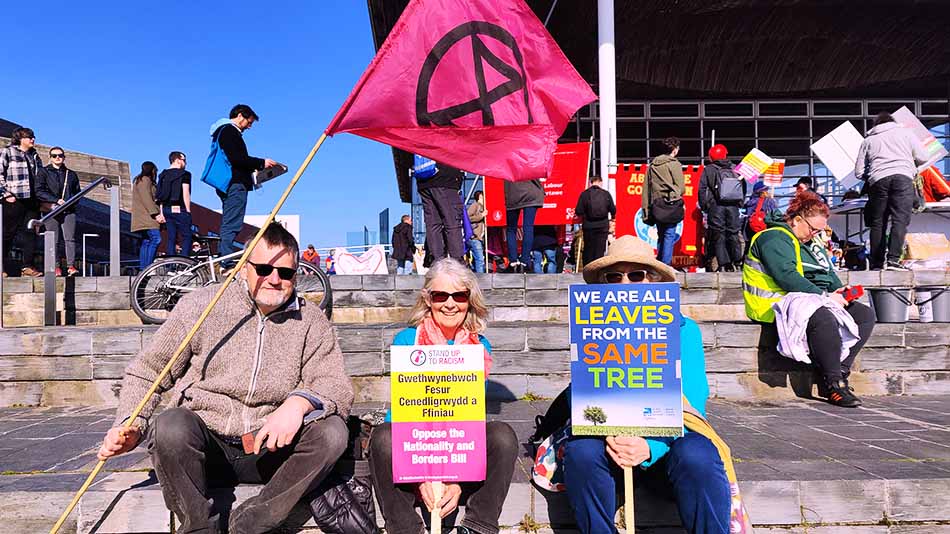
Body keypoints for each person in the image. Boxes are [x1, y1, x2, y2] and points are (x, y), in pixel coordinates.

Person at [97, 223, 353, 534]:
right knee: (169, 426)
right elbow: (149, 369)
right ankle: (199, 528)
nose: (274, 279)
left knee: (332, 433)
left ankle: (252, 522)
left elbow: (335, 386)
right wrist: (130, 424)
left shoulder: (311, 321)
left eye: (285, 273)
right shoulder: (202, 305)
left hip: (269, 449)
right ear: (245, 267)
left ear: (296, 274)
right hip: (206, 447)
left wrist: (298, 404)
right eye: (263, 269)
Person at [564, 235, 732, 534]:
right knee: (581, 453)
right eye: (614, 276)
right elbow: (585, 395)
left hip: (666, 449)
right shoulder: (591, 328)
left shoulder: (684, 330)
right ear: (603, 284)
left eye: (636, 275)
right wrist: (610, 433)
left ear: (653, 281)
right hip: (611, 445)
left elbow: (693, 402)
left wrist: (650, 446)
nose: (625, 284)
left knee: (698, 454)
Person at [368, 258, 519, 534]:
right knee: (383, 437)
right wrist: (420, 477)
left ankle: (478, 526)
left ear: (469, 300)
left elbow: (467, 418)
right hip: (416, 449)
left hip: (461, 450)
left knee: (503, 435)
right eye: (441, 295)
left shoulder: (479, 347)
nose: (450, 304)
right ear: (428, 299)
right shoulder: (406, 340)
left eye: (459, 295)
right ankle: (405, 528)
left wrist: (457, 481)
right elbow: (405, 416)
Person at [743, 191, 875, 407]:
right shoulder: (773, 237)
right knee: (821, 316)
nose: (815, 234)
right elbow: (787, 277)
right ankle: (834, 385)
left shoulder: (807, 242)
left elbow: (825, 273)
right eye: (813, 229)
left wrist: (840, 291)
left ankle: (837, 372)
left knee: (863, 315)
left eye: (820, 231)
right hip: (771, 304)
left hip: (797, 300)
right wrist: (825, 297)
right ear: (796, 220)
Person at [855, 112, 930, 270]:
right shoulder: (905, 133)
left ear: (875, 125)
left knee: (878, 223)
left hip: (878, 181)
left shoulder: (868, 140)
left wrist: (874, 174)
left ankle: (876, 263)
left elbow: (859, 172)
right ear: (893, 122)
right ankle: (893, 261)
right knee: (900, 220)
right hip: (903, 178)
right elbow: (923, 157)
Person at [210, 104, 278, 267]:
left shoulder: (222, 131)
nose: (250, 126)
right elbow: (237, 159)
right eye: (249, 122)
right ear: (240, 116)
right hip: (235, 183)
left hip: (227, 183)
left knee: (230, 220)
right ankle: (226, 262)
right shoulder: (229, 131)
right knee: (232, 222)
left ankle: (225, 258)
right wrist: (262, 162)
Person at [0, 127, 45, 277]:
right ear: (20, 139)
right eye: (29, 137)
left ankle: (27, 267)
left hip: (32, 200)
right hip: (14, 199)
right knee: (7, 233)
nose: (32, 139)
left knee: (31, 232)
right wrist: (6, 194)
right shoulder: (7, 152)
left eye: (33, 137)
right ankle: (1, 266)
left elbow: (40, 178)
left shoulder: (35, 156)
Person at [699, 144, 746, 272]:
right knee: (733, 233)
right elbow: (743, 185)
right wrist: (740, 202)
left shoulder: (708, 169)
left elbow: (702, 189)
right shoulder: (735, 168)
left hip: (716, 206)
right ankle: (737, 261)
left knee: (718, 234)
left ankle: (723, 264)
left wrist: (705, 206)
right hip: (733, 206)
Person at [36, 146, 81, 276]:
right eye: (54, 155)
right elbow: (39, 191)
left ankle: (71, 266)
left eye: (60, 155)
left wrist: (70, 203)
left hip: (68, 210)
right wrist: (55, 200)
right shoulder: (43, 172)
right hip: (51, 210)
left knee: (70, 239)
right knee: (53, 239)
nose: (58, 158)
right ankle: (55, 267)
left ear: (64, 157)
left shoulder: (71, 174)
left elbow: (77, 193)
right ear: (50, 158)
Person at [643, 137, 685, 266]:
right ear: (674, 149)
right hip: (671, 203)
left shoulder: (653, 165)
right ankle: (665, 266)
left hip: (657, 204)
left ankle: (659, 264)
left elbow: (646, 188)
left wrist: (646, 209)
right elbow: (681, 188)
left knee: (661, 234)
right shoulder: (674, 164)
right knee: (669, 234)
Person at [417, 162, 465, 261]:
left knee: (433, 225)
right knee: (452, 223)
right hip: (445, 179)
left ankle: (437, 262)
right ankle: (457, 263)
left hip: (424, 180)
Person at [503, 178, 545, 273]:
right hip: (532, 192)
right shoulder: (532, 161)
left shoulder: (509, 162)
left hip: (513, 193)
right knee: (528, 228)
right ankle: (525, 261)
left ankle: (513, 262)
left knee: (511, 229)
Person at [156, 151, 192, 256]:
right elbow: (186, 193)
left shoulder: (163, 174)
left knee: (171, 237)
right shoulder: (185, 174)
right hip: (180, 208)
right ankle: (184, 263)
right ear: (177, 160)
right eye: (184, 160)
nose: (185, 163)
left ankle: (170, 266)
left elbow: (160, 195)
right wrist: (188, 211)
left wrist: (162, 212)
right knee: (187, 236)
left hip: (166, 209)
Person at [575, 176, 615, 267]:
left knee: (589, 249)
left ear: (590, 182)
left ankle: (588, 268)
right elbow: (613, 209)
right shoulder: (606, 194)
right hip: (602, 226)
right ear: (600, 182)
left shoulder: (584, 194)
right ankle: (598, 268)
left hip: (588, 226)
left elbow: (579, 211)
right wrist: (612, 218)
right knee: (600, 249)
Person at [131, 162, 165, 270]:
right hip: (147, 218)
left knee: (146, 241)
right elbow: (147, 199)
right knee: (156, 239)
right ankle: (148, 268)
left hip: (141, 218)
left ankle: (143, 268)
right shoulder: (145, 180)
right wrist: (156, 214)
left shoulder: (139, 180)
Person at [467, 191, 487, 273]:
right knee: (480, 259)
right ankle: (481, 279)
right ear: (480, 197)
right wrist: (481, 216)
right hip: (475, 237)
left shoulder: (483, 207)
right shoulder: (475, 205)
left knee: (477, 260)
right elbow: (468, 217)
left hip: (479, 238)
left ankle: (475, 275)